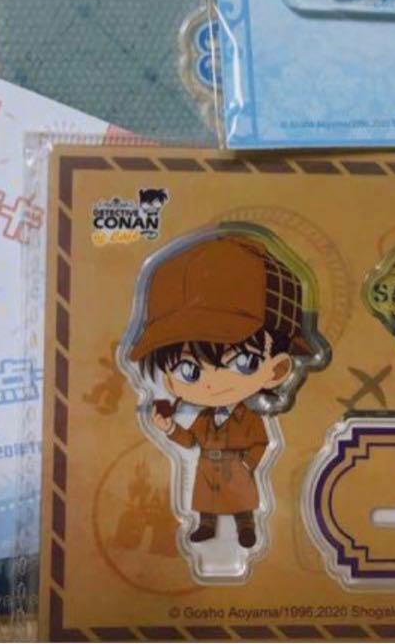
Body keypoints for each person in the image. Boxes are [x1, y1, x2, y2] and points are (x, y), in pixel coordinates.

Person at [129, 228, 322, 550]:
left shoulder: (248, 416)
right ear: (169, 379)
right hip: (207, 466)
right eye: (188, 369)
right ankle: (206, 526)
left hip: (236, 467)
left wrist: (248, 464)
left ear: (277, 369)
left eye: (243, 362)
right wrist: (170, 428)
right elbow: (190, 440)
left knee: (242, 503)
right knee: (206, 504)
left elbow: (261, 441)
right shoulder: (205, 418)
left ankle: (246, 527)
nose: (211, 382)